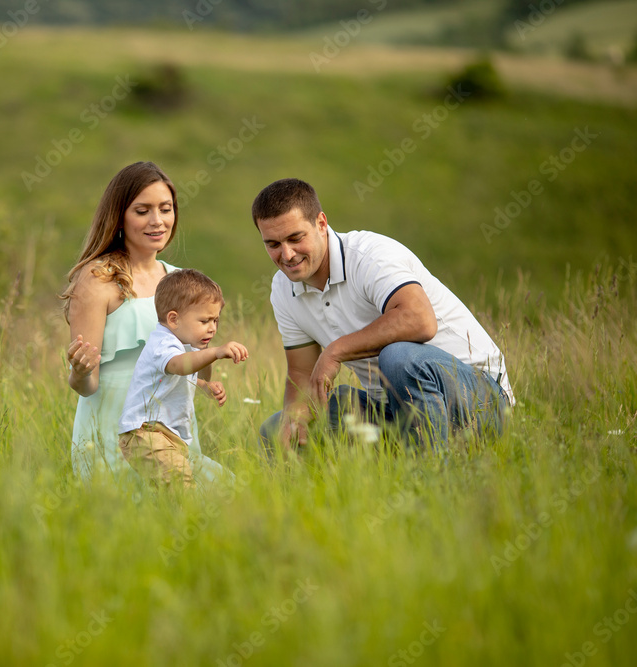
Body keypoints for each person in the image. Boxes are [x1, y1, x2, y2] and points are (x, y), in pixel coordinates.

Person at [252, 178, 514, 451]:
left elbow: (419, 320)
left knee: (398, 357)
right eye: (273, 244)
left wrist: (336, 350)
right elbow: (301, 371)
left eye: (295, 238)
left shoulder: (370, 255)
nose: (287, 254)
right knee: (276, 430)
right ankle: (360, 481)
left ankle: (433, 474)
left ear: (321, 223)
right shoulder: (282, 289)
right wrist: (296, 419)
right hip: (393, 410)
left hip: (481, 401)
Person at [60, 161, 229, 482]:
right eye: (142, 211)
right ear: (120, 217)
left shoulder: (179, 281)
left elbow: (190, 362)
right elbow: (86, 385)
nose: (157, 221)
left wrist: (209, 370)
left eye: (165, 209)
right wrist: (78, 372)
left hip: (170, 432)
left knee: (222, 496)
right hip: (114, 431)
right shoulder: (97, 280)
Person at [118, 269, 249, 487]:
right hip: (145, 433)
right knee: (180, 485)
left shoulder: (182, 344)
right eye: (205, 321)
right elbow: (179, 366)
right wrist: (215, 352)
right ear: (173, 319)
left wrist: (204, 385)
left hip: (168, 437)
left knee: (218, 483)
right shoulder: (163, 343)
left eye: (216, 320)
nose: (213, 328)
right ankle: (183, 521)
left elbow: (185, 375)